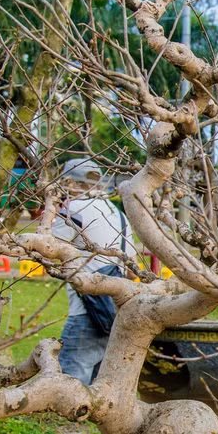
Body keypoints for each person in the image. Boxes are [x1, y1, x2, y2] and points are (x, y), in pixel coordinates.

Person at [51, 158, 134, 385]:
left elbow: (49, 248)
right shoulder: (118, 214)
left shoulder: (74, 210)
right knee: (101, 384)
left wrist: (52, 212)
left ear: (70, 182)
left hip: (87, 310)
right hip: (115, 310)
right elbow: (132, 266)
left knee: (71, 382)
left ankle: (69, 421)